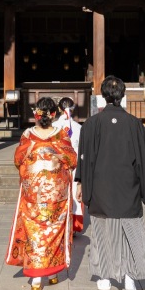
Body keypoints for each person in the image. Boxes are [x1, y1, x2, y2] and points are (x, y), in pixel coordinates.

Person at [75, 75, 145, 290]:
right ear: (122, 95)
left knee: (102, 231)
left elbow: (84, 158)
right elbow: (144, 160)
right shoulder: (134, 124)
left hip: (100, 186)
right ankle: (130, 282)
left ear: (103, 96)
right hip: (128, 187)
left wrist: (81, 183)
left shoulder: (91, 124)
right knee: (131, 233)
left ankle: (104, 276)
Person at [5, 96, 77, 290]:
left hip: (33, 195)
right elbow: (71, 160)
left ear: (36, 114)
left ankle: (37, 277)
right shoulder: (61, 135)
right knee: (53, 230)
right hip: (56, 193)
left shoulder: (28, 136)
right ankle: (53, 274)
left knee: (36, 232)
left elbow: (18, 160)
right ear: (54, 115)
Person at [53, 96, 83, 233]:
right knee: (74, 194)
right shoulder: (79, 128)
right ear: (73, 109)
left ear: (59, 109)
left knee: (57, 195)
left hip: (56, 167)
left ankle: (59, 225)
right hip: (74, 166)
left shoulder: (53, 127)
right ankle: (73, 226)